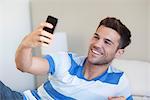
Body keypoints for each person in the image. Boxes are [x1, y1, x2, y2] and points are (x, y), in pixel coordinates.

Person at [0, 17, 133, 100]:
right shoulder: (66, 60)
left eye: (107, 42)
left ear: (119, 53)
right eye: (96, 37)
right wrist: (26, 44)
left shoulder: (119, 81)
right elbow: (25, 66)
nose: (97, 44)